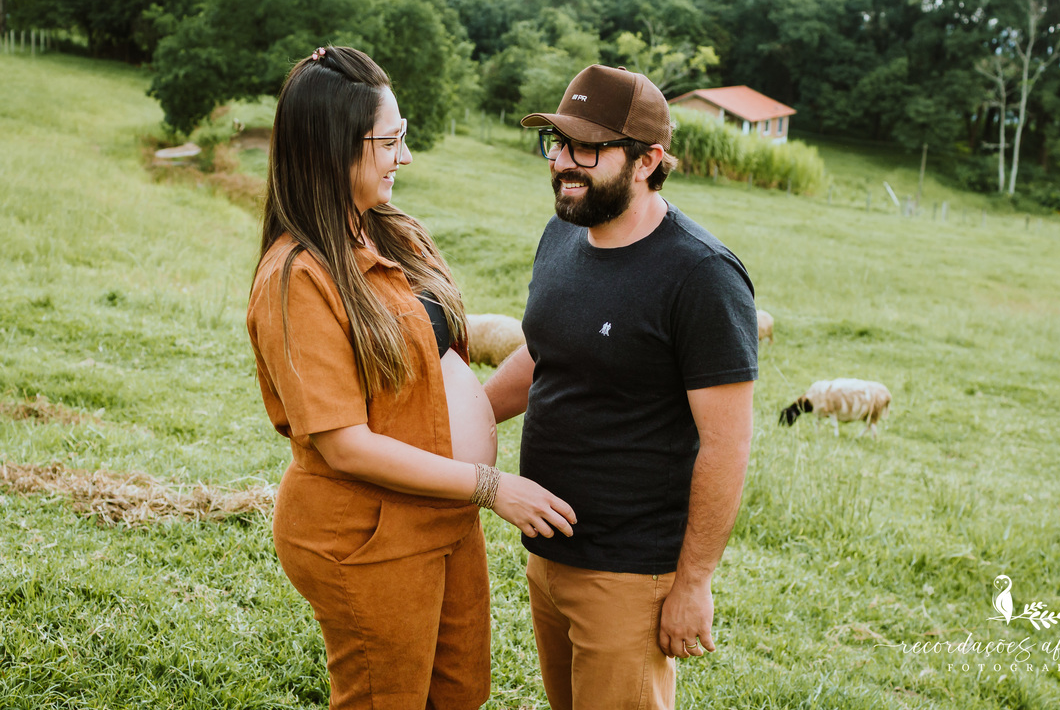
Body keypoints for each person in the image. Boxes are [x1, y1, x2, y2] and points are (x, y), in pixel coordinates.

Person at [245, 45, 576, 710]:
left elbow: (436, 364)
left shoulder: (396, 233)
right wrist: (490, 484)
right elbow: (345, 445)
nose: (406, 156)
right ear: (335, 145)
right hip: (368, 533)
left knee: (458, 695)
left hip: (444, 519)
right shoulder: (295, 280)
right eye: (390, 141)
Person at [484, 64, 758, 710]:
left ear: (647, 160)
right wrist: (458, 416)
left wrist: (692, 584)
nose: (562, 164)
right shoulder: (563, 233)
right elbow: (546, 352)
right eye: (556, 143)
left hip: (630, 574)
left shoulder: (701, 276)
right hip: (547, 555)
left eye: (586, 148)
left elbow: (727, 445)